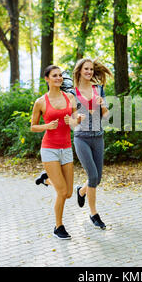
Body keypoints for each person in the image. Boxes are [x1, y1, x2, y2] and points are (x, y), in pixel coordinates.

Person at [30, 65, 84, 240]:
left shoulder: (69, 97)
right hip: (49, 149)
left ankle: (46, 179)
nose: (59, 78)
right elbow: (33, 126)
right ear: (47, 79)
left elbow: (77, 121)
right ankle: (58, 227)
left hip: (66, 148)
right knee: (61, 192)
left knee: (68, 193)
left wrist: (74, 120)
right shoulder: (41, 102)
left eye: (60, 75)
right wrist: (46, 126)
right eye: (54, 75)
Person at [72, 58, 111, 230]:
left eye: (91, 69)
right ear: (79, 70)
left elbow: (106, 116)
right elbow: (71, 121)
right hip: (81, 137)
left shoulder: (99, 89)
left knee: (97, 178)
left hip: (98, 137)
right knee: (93, 176)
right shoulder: (72, 93)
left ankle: (81, 191)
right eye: (86, 69)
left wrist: (103, 106)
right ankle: (94, 214)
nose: (89, 72)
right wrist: (77, 118)